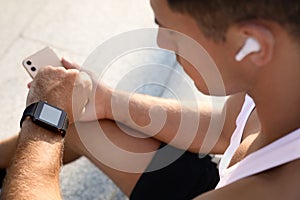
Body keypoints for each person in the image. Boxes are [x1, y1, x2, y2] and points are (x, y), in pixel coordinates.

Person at [2, 0, 300, 199]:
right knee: (80, 120)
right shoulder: (281, 72)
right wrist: (108, 101)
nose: (161, 42)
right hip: (225, 180)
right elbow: (224, 129)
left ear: (252, 43)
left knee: (53, 129)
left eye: (170, 30)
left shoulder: (274, 188)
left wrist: (41, 120)